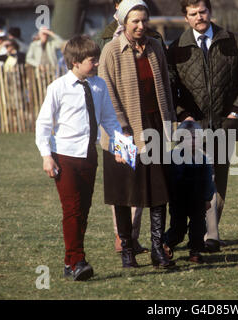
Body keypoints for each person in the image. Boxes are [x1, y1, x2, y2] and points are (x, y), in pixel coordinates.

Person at [168, 0, 238, 253]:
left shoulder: (232, 40)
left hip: (225, 124)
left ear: (210, 12)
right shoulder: (176, 48)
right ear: (186, 17)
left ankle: (210, 234)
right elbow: (170, 88)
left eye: (203, 11)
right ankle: (198, 232)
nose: (199, 17)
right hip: (192, 127)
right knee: (195, 181)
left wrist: (235, 112)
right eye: (193, 14)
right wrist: (183, 115)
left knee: (219, 180)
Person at [35, 35, 125, 281]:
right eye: (92, 60)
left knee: (83, 210)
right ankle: (77, 261)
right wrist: (46, 156)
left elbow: (109, 119)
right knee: (72, 210)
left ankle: (69, 262)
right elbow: (43, 125)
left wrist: (120, 146)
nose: (96, 64)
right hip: (64, 157)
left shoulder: (99, 86)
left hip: (89, 155)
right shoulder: (58, 88)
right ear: (75, 62)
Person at [98, 0, 176, 268]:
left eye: (144, 20)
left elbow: (165, 85)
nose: (141, 26)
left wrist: (169, 123)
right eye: (135, 21)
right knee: (124, 191)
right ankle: (128, 250)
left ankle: (157, 249)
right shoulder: (110, 51)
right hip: (121, 131)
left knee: (158, 189)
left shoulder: (155, 46)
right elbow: (107, 94)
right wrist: (122, 132)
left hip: (154, 126)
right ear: (123, 22)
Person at [163, 121, 215, 264]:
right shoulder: (172, 157)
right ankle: (166, 243)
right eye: (188, 138)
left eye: (196, 138)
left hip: (197, 201)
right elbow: (167, 178)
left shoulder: (203, 159)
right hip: (178, 200)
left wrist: (207, 199)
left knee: (198, 227)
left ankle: (195, 251)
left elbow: (208, 181)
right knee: (178, 229)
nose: (192, 141)